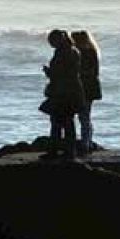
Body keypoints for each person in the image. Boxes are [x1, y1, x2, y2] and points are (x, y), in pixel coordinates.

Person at [39, 29, 83, 160]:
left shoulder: (64, 53)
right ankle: (66, 150)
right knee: (64, 121)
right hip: (70, 91)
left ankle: (59, 150)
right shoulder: (72, 51)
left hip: (64, 92)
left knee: (61, 122)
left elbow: (62, 73)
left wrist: (49, 72)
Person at [70, 30, 101, 155]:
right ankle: (87, 141)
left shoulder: (85, 53)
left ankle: (85, 143)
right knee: (85, 116)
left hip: (86, 88)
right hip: (90, 88)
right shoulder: (92, 52)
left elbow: (86, 72)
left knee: (84, 116)